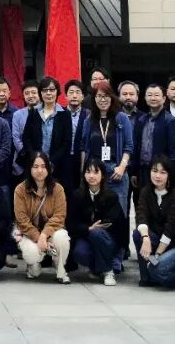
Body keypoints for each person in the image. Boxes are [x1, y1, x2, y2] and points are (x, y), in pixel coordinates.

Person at [76, 82, 134, 242]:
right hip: (95, 174)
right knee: (97, 213)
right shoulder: (89, 120)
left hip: (116, 172)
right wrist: (83, 171)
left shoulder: (121, 118)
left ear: (112, 97)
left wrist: (122, 167)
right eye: (99, 96)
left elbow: (129, 146)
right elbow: (84, 147)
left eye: (106, 96)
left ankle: (120, 250)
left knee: (119, 215)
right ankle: (101, 247)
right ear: (94, 99)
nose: (103, 99)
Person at [133, 155, 175, 288]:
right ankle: (147, 278)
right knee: (138, 234)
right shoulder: (146, 191)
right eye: (154, 171)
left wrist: (157, 256)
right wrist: (146, 238)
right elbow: (141, 216)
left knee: (157, 269)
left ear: (169, 175)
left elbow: (171, 228)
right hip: (159, 238)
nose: (157, 176)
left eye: (162, 172)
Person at [13, 151, 71, 283]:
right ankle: (33, 265)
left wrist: (44, 235)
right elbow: (22, 220)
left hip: (52, 231)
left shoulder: (58, 189)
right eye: (35, 166)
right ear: (30, 168)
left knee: (62, 238)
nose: (40, 170)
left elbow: (59, 216)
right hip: (28, 233)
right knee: (31, 254)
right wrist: (38, 237)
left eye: (43, 166)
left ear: (49, 169)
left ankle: (60, 269)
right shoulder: (20, 190)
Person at [66, 158, 125, 285]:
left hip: (107, 239)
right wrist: (88, 228)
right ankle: (101, 268)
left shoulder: (111, 196)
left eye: (96, 172)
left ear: (103, 175)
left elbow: (119, 225)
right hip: (86, 236)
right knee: (79, 253)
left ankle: (108, 271)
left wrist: (98, 228)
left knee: (97, 233)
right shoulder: (76, 196)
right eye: (88, 172)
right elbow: (71, 224)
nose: (91, 176)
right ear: (84, 174)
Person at [132, 83, 175, 205]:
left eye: (156, 95)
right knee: (142, 203)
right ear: (145, 98)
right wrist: (134, 171)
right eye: (149, 95)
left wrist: (169, 173)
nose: (153, 98)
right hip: (143, 171)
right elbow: (136, 147)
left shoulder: (170, 121)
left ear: (164, 98)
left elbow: (174, 151)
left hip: (161, 171)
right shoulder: (141, 120)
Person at [63, 80, 87, 192]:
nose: (74, 95)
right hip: (64, 160)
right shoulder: (59, 114)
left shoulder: (89, 115)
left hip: (81, 159)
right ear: (66, 96)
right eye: (71, 92)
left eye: (78, 92)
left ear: (83, 96)